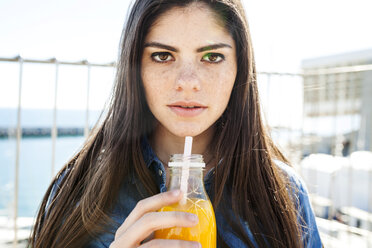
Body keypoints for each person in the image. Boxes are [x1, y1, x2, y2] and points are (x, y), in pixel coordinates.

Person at [30, 0, 322, 247]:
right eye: (162, 56)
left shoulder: (285, 195)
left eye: (212, 56)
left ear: (239, 67)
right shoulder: (79, 191)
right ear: (135, 68)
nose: (187, 83)